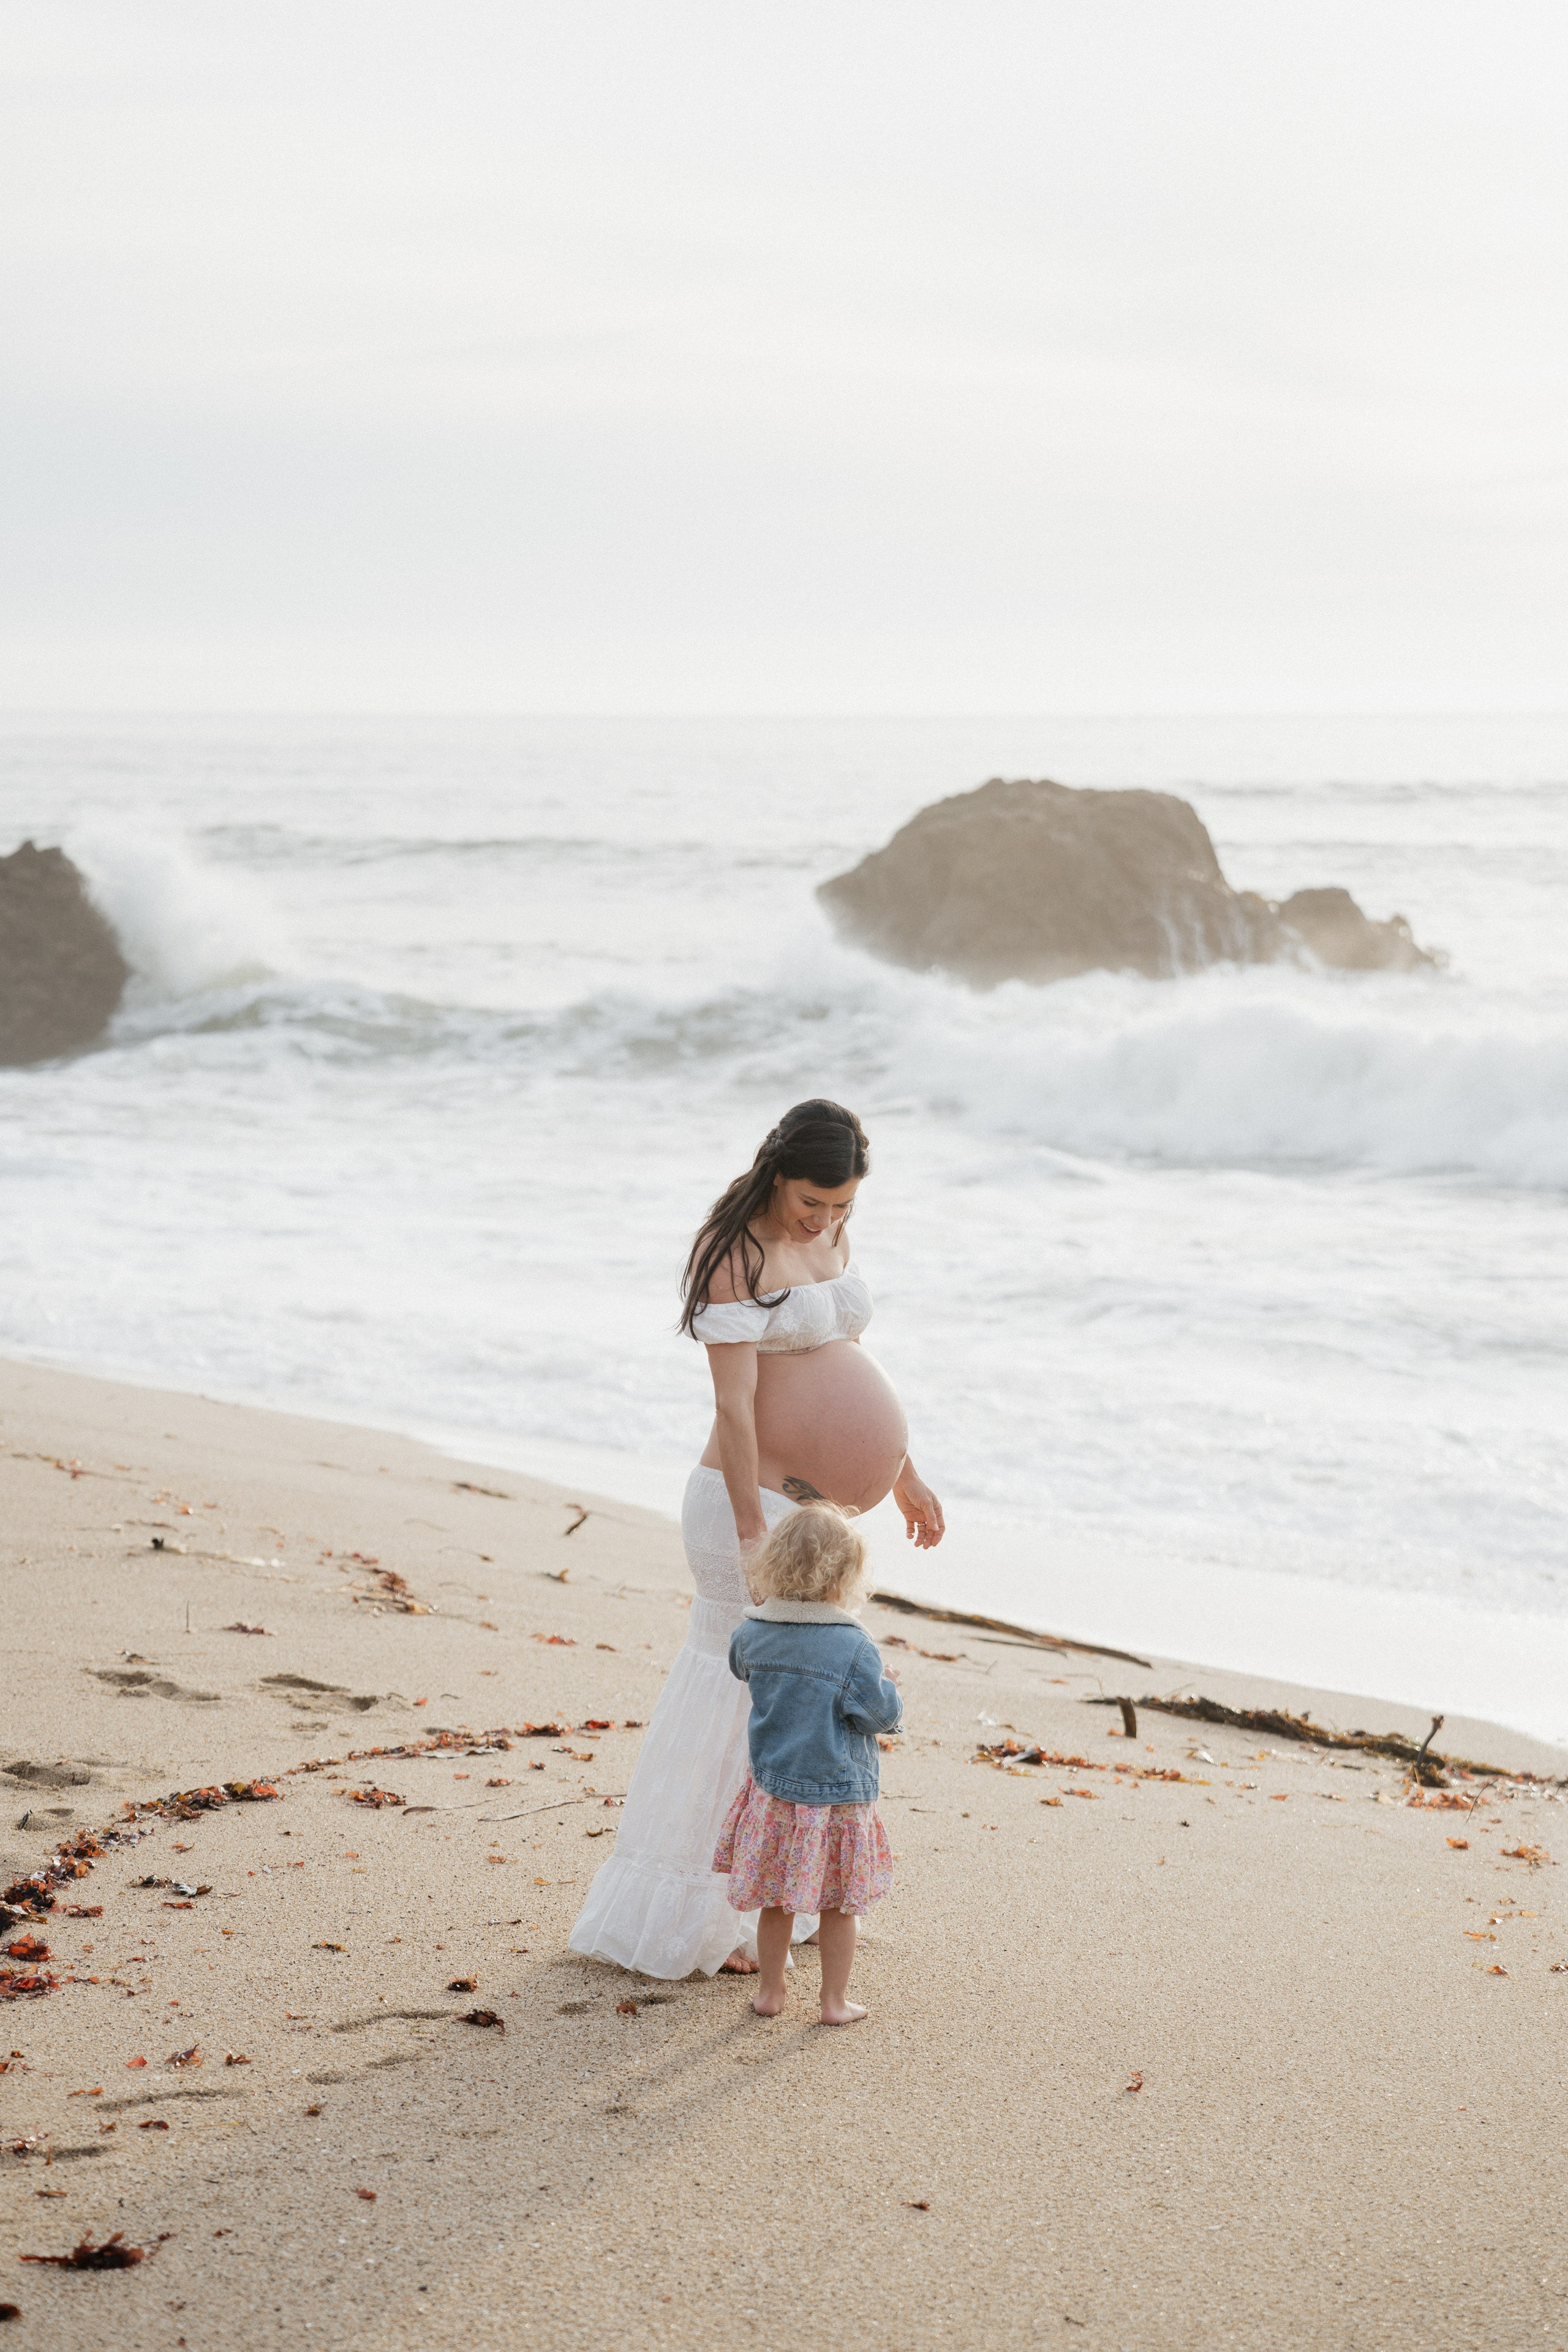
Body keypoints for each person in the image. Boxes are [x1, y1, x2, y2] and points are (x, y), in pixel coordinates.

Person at [568, 1098, 943, 1978]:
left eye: (842, 1206)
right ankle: (703, 1912)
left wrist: (904, 1473)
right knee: (741, 1696)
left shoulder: (832, 1235)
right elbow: (735, 1406)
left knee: (785, 1708)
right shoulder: (732, 1253)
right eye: (812, 1202)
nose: (825, 1220)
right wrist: (749, 1532)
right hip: (746, 1505)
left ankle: (764, 1903)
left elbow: (846, 1357)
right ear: (778, 1173)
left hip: (810, 1515)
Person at [714, 1500, 900, 2024]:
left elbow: (741, 1668)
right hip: (836, 1796)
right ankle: (833, 2002)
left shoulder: (753, 1632)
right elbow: (877, 1715)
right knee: (839, 1905)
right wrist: (889, 1688)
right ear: (845, 1576)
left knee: (775, 1899)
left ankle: (771, 1992)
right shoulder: (853, 1645)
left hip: (773, 1789)